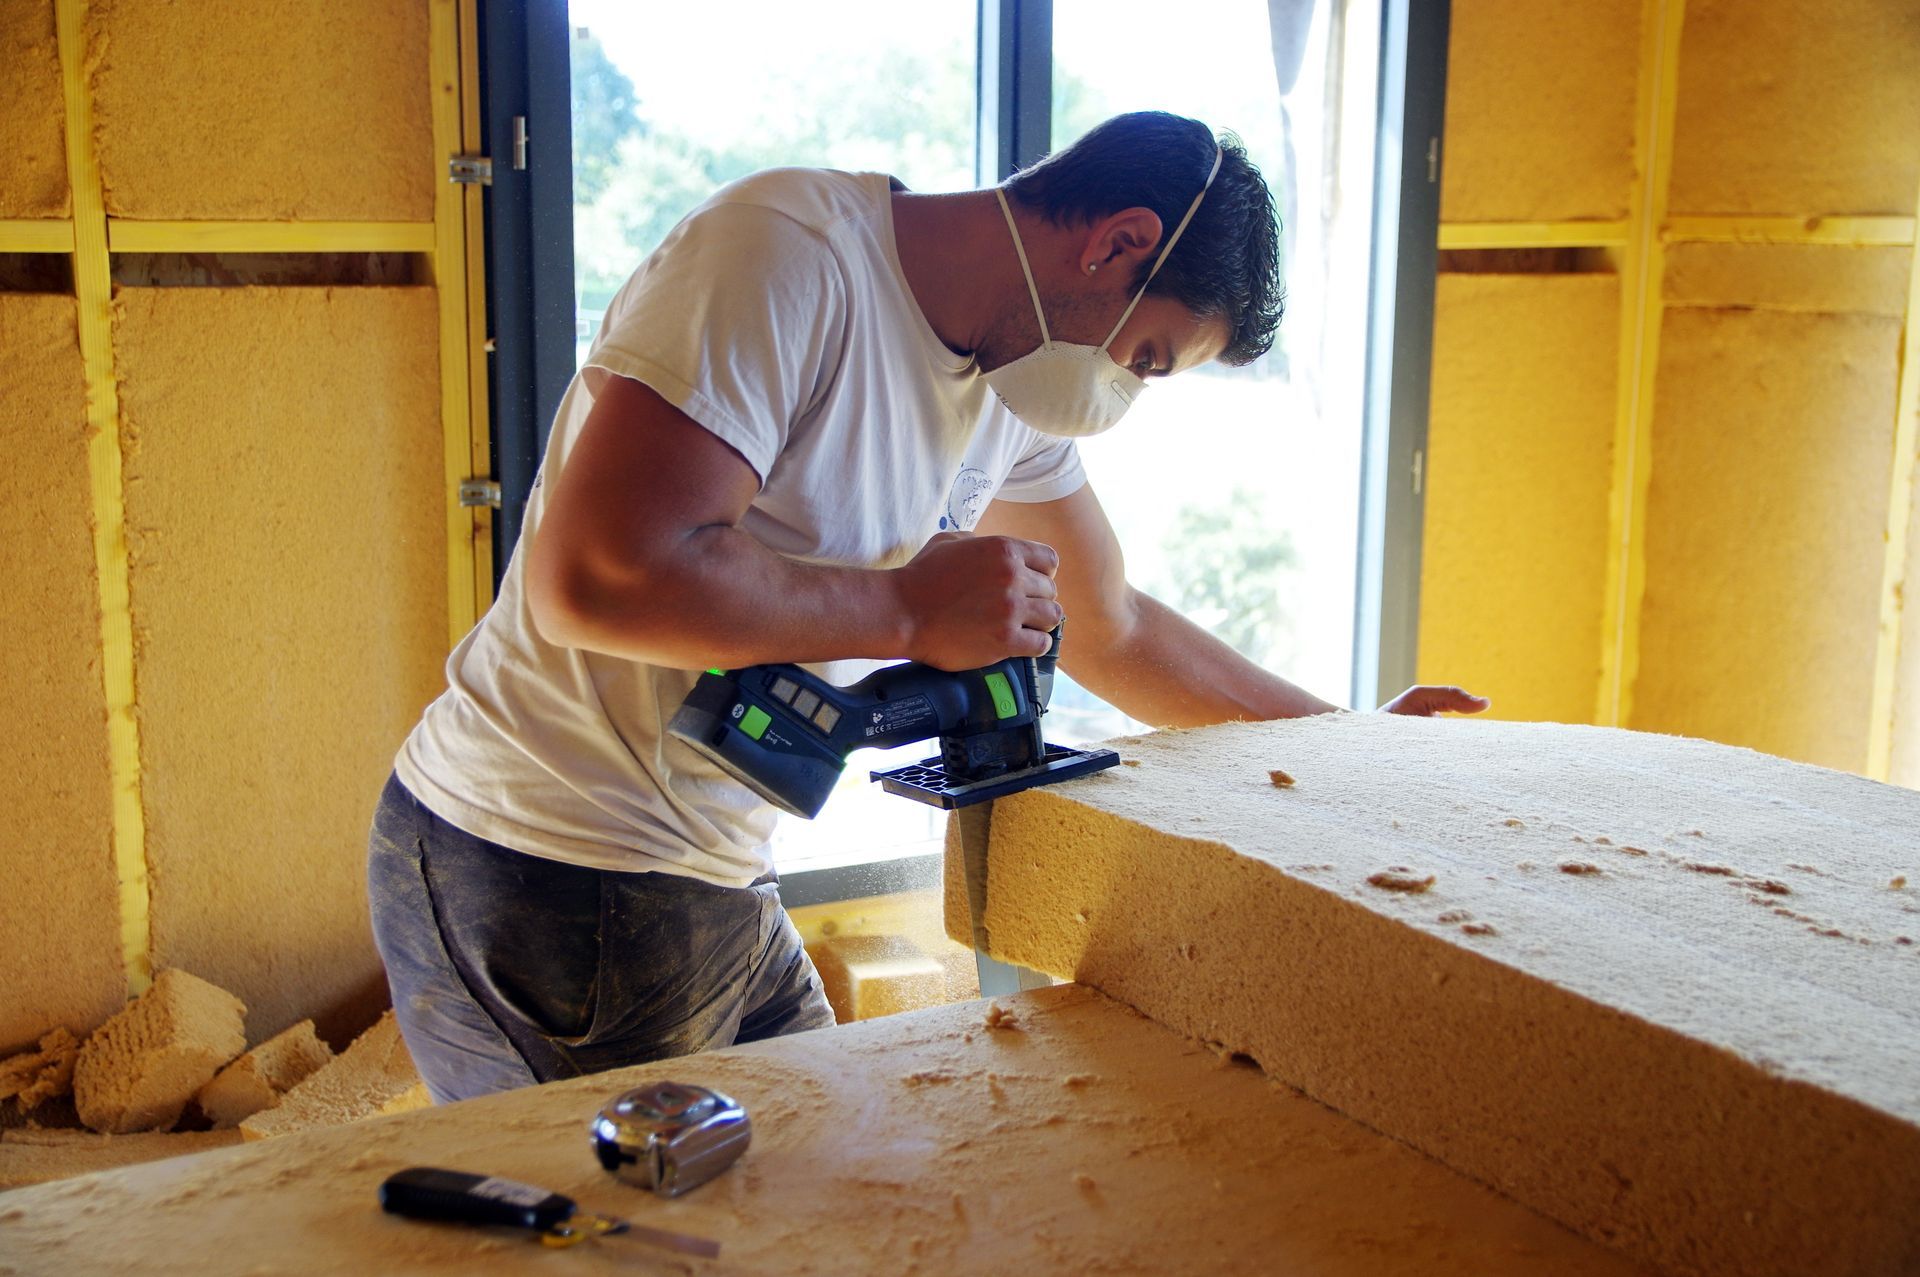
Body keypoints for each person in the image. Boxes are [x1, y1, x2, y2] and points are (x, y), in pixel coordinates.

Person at [367, 110, 1487, 1103]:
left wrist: (1344, 747)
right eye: (1145, 357)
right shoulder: (788, 256)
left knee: (824, 1195)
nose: (1123, 391)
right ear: (1118, 242)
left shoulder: (1019, 382)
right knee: (652, 1238)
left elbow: (1115, 626)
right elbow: (597, 575)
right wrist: (906, 612)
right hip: (546, 854)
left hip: (713, 865)